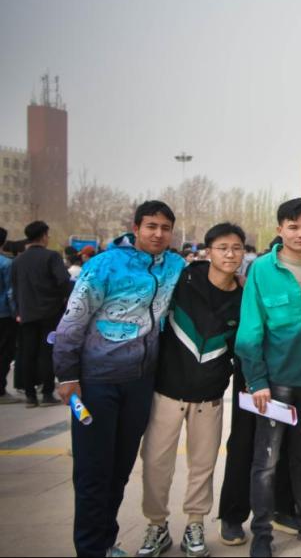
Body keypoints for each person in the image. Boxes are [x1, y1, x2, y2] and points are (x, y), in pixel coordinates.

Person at [53, 201, 187, 557]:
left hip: (140, 382)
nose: (158, 234)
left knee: (120, 469)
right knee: (93, 472)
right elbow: (72, 321)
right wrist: (67, 375)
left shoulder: (174, 266)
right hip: (97, 383)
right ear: (136, 227)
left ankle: (106, 542)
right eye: (151, 226)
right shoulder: (104, 265)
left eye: (165, 228)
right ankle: (90, 549)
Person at [236, 198, 301, 557]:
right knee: (266, 460)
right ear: (280, 229)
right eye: (294, 227)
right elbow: (250, 330)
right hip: (276, 381)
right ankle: (262, 534)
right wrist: (257, 381)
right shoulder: (262, 270)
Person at [136, 224, 245, 558]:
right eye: (222, 247)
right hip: (167, 393)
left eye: (237, 248)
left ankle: (195, 524)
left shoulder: (243, 297)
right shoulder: (182, 280)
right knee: (156, 464)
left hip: (209, 397)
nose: (230, 254)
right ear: (208, 251)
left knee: (203, 465)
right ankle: (156, 525)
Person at [10, 220, 73, 407]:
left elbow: (14, 288)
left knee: (28, 354)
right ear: (44, 236)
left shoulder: (18, 260)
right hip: (50, 313)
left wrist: (18, 311)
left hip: (26, 314)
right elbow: (63, 281)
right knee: (47, 353)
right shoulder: (51, 257)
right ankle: (46, 394)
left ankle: (30, 396)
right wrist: (64, 299)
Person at [0, 226, 17, 403]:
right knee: (4, 351)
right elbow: (10, 292)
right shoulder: (6, 263)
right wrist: (15, 313)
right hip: (3, 314)